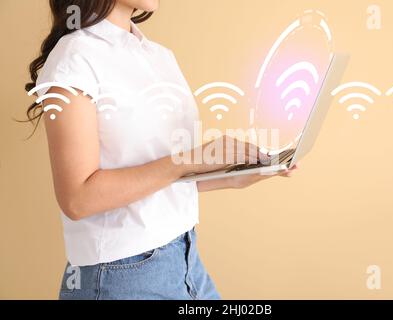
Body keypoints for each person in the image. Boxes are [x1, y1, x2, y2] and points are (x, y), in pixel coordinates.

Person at [25, 0, 297, 300]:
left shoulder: (158, 56)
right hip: (119, 277)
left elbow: (161, 177)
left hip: (186, 260)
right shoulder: (74, 57)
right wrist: (189, 160)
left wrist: (235, 176)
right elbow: (77, 198)